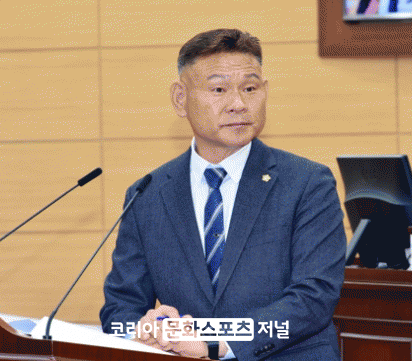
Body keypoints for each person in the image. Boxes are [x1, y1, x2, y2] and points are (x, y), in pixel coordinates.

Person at [100, 29, 346, 360]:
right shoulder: (148, 194)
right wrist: (149, 330)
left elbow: (314, 297)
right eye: (219, 89)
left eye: (250, 88)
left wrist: (218, 343)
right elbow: (120, 310)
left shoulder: (307, 183)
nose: (239, 104)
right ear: (180, 99)